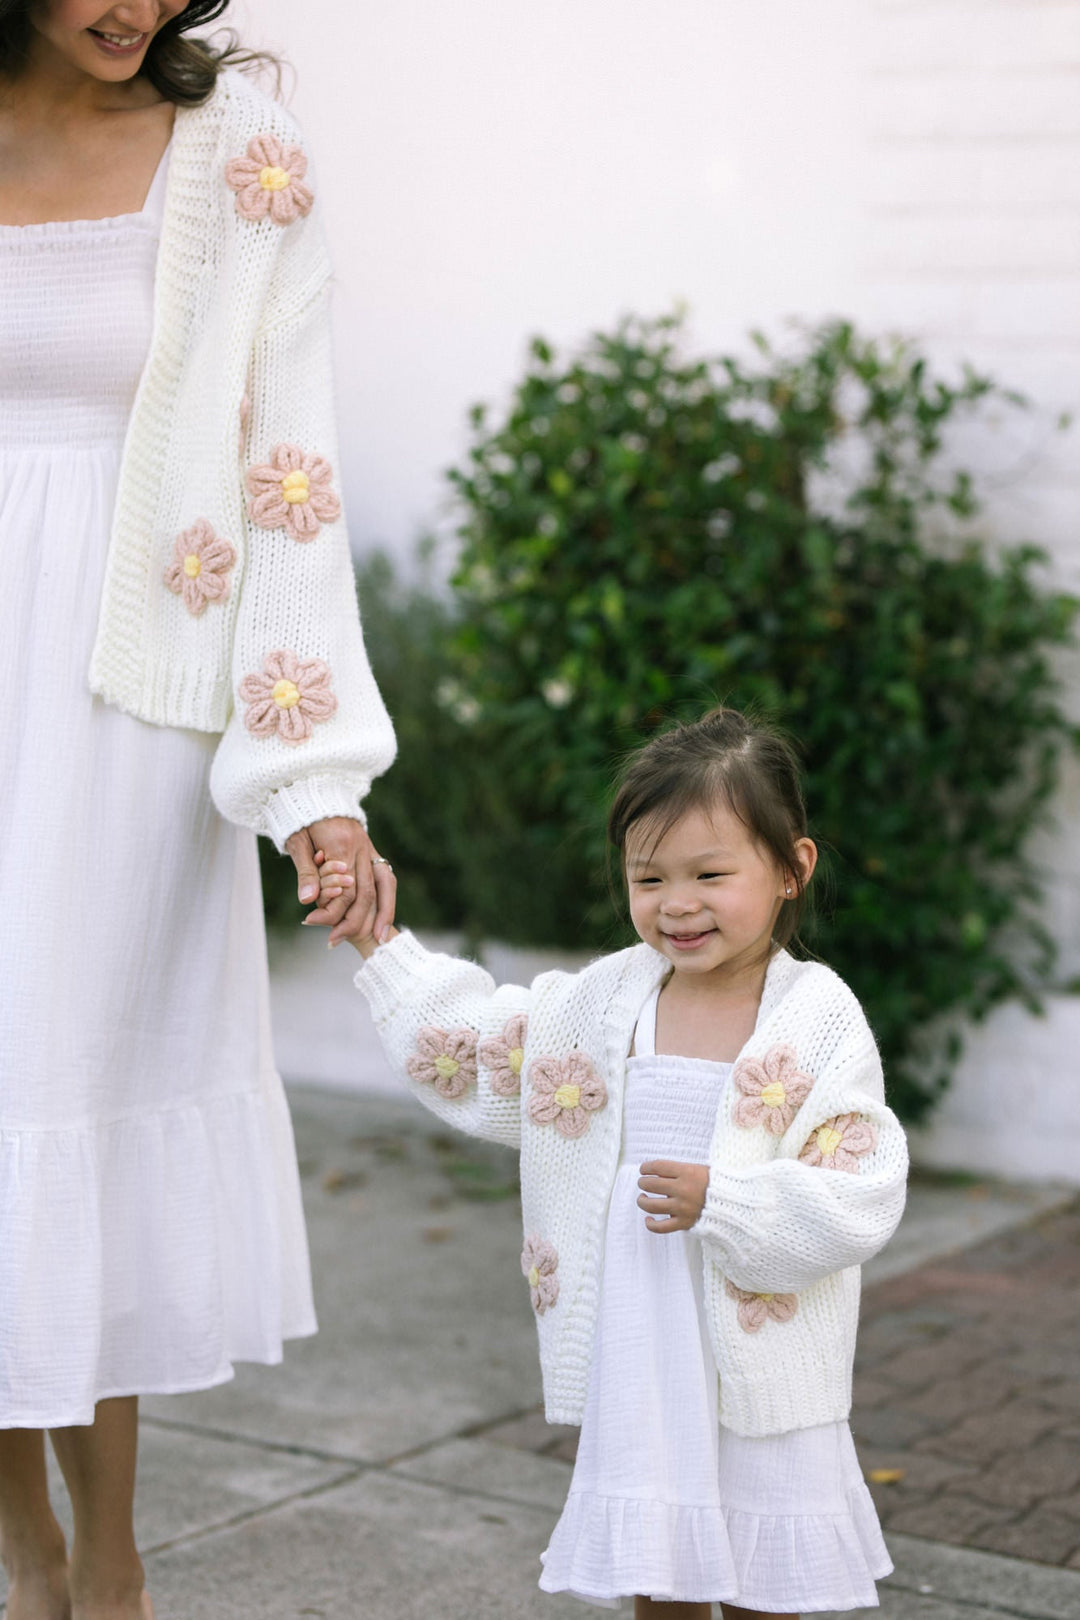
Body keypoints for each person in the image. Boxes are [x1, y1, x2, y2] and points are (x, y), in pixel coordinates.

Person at [0, 4, 396, 1617]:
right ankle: (20, 1554)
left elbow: (287, 476)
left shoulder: (245, 161)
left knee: (76, 1093)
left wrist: (314, 784)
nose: (136, 5)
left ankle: (108, 1563)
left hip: (123, 703)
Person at [331, 707, 908, 1619]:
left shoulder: (816, 1019)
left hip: (761, 1369)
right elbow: (479, 1049)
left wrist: (727, 1201)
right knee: (660, 1575)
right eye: (649, 878)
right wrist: (382, 951)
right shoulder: (602, 1006)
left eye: (710, 874)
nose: (676, 904)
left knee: (766, 1577)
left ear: (792, 870)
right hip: (643, 1347)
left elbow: (861, 1192)